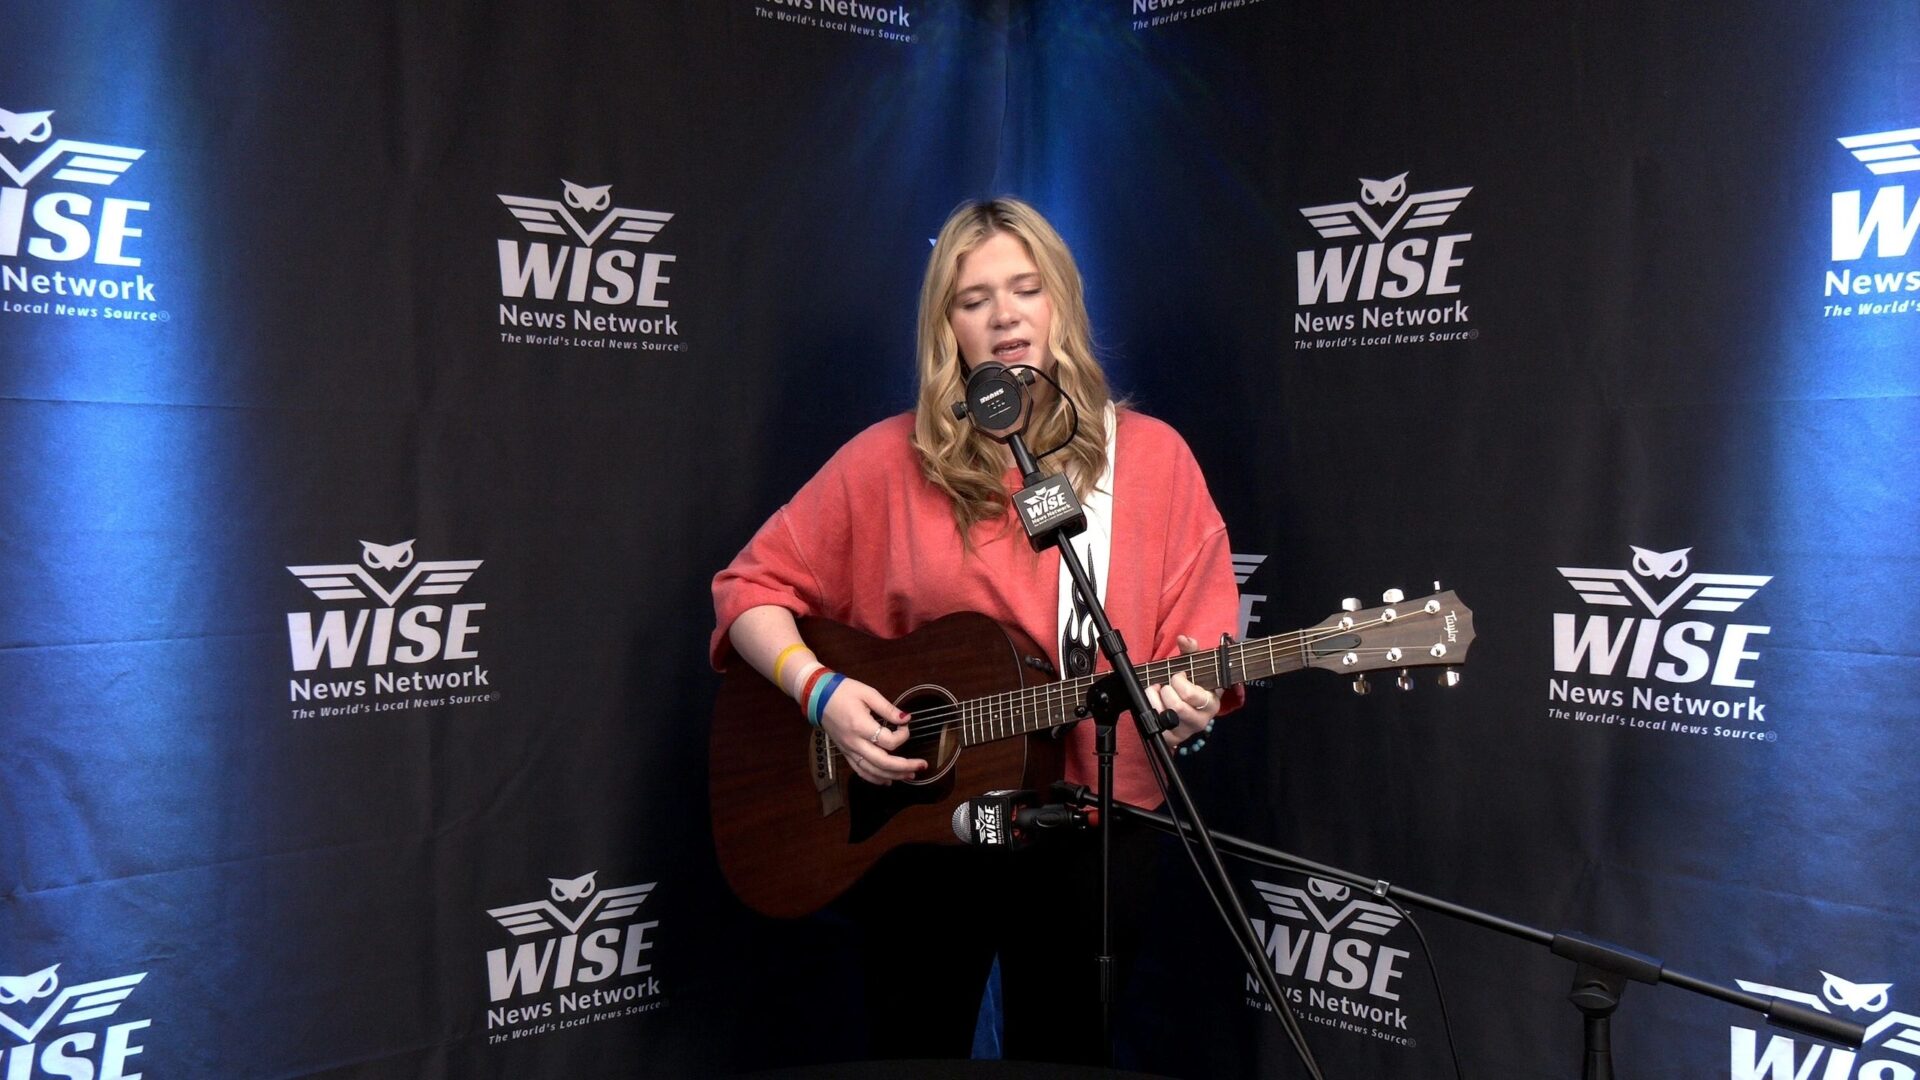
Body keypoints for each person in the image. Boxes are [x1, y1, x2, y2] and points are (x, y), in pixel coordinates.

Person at [710, 197, 1244, 1064]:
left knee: (1067, 1053)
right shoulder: (889, 460)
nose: (1004, 316)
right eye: (974, 298)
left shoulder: (1152, 459)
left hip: (1095, 831)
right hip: (924, 825)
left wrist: (1194, 699)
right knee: (914, 1048)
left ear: (1059, 302)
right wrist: (827, 695)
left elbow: (1203, 646)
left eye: (1026, 289)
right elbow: (748, 590)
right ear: (946, 326)